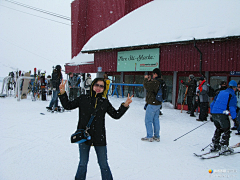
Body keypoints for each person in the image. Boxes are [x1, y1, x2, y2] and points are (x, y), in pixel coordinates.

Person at [58, 77, 133, 180]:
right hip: (84, 135)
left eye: (101, 86)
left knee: (103, 164)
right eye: (97, 85)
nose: (98, 88)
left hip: (99, 137)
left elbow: (116, 115)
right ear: (93, 85)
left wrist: (125, 105)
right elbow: (68, 105)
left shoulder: (104, 102)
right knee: (82, 163)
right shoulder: (83, 98)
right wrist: (62, 93)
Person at [210, 80, 238, 154]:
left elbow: (212, 103)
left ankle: (215, 145)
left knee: (218, 128)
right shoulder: (232, 94)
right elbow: (232, 107)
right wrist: (234, 119)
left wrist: (211, 114)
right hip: (222, 113)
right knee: (226, 130)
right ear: (234, 88)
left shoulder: (221, 92)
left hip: (214, 113)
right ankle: (224, 147)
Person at [141, 68, 164, 142]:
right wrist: (150, 80)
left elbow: (146, 86)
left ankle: (149, 136)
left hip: (152, 104)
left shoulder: (156, 82)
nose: (152, 75)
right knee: (156, 120)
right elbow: (152, 87)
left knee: (148, 120)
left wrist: (145, 79)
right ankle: (157, 136)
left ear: (156, 74)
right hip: (158, 104)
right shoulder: (161, 81)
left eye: (153, 74)